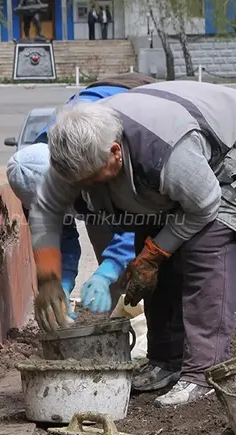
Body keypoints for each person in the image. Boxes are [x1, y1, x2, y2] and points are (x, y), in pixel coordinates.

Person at [28, 80, 236, 407]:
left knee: (207, 250)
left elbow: (205, 204)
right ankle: (165, 361)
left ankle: (203, 374)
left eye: (93, 180)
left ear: (115, 152)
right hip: (178, 166)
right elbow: (45, 209)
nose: (86, 190)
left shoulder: (163, 151)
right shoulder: (73, 157)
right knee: (148, 259)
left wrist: (154, 253)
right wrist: (48, 279)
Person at [9, 72, 156, 325]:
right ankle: (124, 319)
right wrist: (60, 282)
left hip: (137, 105)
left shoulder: (88, 152)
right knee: (108, 249)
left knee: (143, 248)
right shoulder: (30, 181)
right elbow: (59, 239)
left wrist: (107, 271)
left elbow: (136, 210)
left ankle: (157, 320)